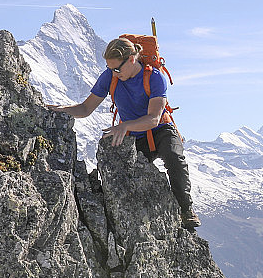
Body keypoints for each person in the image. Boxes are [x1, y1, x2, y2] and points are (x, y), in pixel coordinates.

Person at [48, 37, 201, 229]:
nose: (113, 73)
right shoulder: (110, 77)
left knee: (174, 159)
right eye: (110, 68)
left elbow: (154, 118)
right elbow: (86, 109)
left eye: (117, 69)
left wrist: (125, 126)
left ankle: (186, 209)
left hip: (161, 130)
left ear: (131, 59)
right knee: (122, 174)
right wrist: (61, 110)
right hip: (134, 135)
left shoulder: (154, 77)